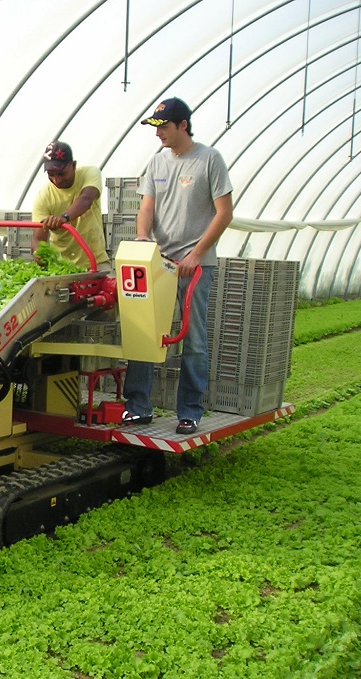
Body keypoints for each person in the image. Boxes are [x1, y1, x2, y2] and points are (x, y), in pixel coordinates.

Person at [121, 97, 234, 435]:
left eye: (164, 127)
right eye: (155, 128)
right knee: (145, 331)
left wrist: (196, 255)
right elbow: (147, 207)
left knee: (193, 338)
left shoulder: (209, 159)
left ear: (183, 125)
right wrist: (143, 238)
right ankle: (138, 407)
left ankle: (189, 411)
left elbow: (224, 213)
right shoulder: (157, 162)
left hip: (195, 265)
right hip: (160, 263)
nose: (158, 134)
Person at [31, 139, 112, 272]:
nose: (57, 180)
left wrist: (64, 218)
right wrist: (39, 254)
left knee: (111, 284)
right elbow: (38, 239)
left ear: (73, 166)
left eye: (61, 173)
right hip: (62, 267)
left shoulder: (89, 173)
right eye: (51, 174)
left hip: (96, 262)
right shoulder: (43, 197)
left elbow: (86, 199)